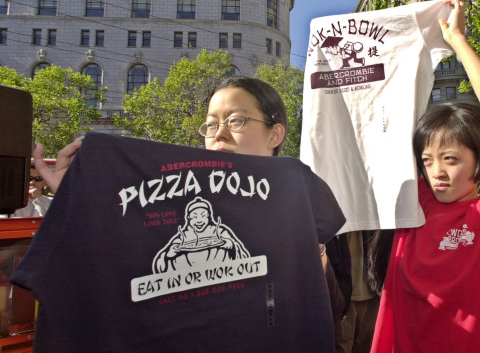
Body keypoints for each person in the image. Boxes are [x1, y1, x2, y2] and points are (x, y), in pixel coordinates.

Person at [32, 76, 346, 320]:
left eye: (235, 120)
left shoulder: (299, 201)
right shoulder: (162, 209)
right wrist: (76, 200)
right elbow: (107, 277)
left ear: (274, 135)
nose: (219, 133)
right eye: (211, 124)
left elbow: (329, 313)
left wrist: (309, 246)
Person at [366, 0, 480, 353]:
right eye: (428, 160)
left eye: (451, 159)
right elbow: (386, 128)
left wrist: (457, 39)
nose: (436, 171)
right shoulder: (419, 205)